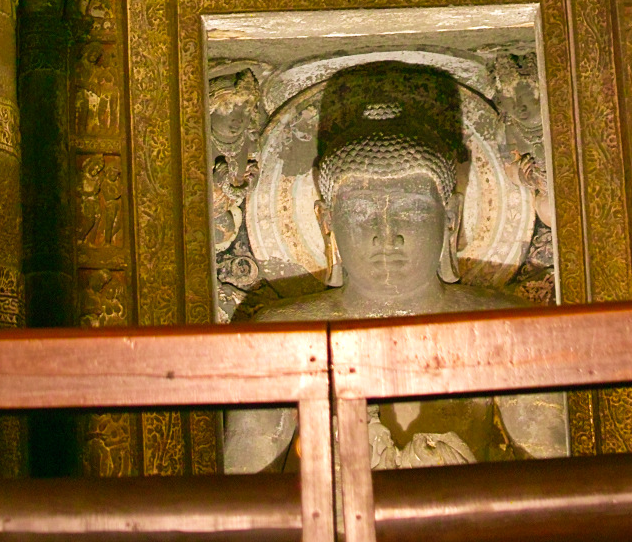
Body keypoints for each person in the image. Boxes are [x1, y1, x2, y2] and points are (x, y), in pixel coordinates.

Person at [222, 65, 567, 472]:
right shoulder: (282, 334)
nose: (388, 235)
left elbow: (551, 477)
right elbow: (247, 488)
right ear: (326, 222)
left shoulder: (507, 326)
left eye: (411, 210)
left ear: (450, 218)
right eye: (361, 212)